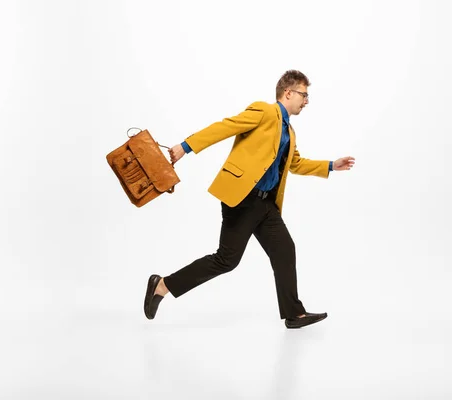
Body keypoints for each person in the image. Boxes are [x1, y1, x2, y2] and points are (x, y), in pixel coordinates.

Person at [143, 70, 355, 328]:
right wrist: (185, 146)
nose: (306, 101)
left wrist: (332, 165)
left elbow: (295, 163)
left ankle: (294, 314)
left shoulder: (290, 130)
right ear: (288, 93)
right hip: (242, 199)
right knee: (226, 260)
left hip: (266, 204)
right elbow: (226, 126)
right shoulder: (265, 112)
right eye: (304, 95)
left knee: (284, 250)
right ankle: (163, 285)